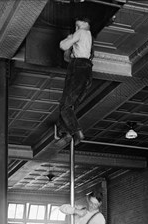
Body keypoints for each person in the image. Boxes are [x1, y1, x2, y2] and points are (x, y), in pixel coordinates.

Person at [57, 16, 93, 145]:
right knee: (69, 105)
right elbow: (68, 57)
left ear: (85, 24)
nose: (76, 28)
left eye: (78, 25)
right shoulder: (88, 39)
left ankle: (75, 132)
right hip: (86, 70)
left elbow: (63, 45)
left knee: (65, 106)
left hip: (78, 69)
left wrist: (68, 38)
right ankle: (65, 130)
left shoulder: (81, 32)